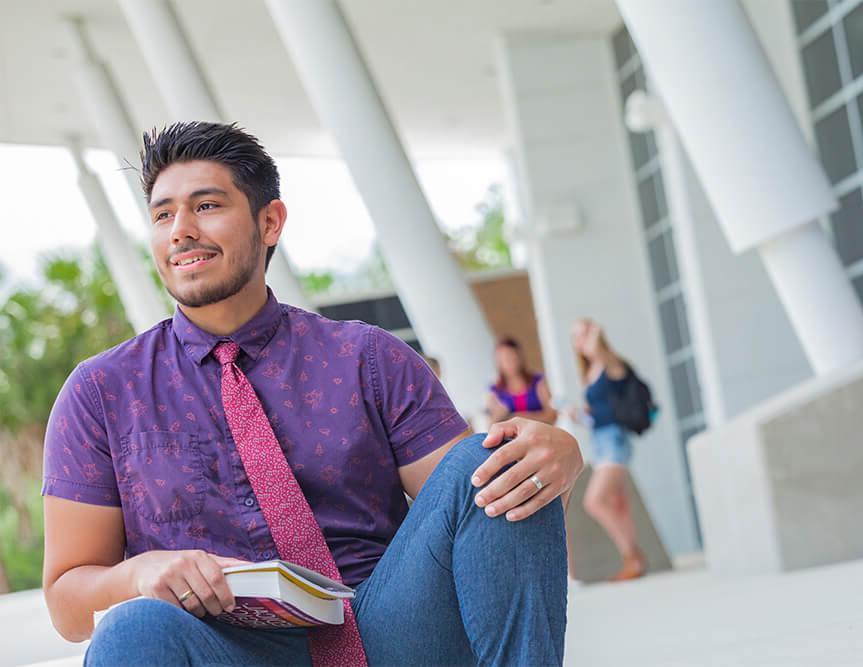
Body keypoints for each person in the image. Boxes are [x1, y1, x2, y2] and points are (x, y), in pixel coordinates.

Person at [41, 121, 583, 667]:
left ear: (270, 221)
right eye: (162, 215)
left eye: (206, 206)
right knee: (135, 627)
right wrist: (141, 571)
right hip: (222, 646)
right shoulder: (102, 392)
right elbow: (67, 604)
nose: (179, 230)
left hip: (388, 626)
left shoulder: (368, 358)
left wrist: (557, 453)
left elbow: (484, 504)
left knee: (494, 459)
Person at [569, 318, 646, 581]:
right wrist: (581, 415)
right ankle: (633, 561)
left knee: (595, 500)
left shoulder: (610, 363)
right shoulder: (590, 372)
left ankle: (632, 557)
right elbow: (601, 410)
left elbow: (598, 353)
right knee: (617, 503)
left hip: (614, 440)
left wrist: (594, 335)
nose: (580, 341)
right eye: (576, 337)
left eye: (584, 335)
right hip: (599, 441)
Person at [485, 337, 557, 425]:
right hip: (512, 438)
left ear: (519, 356)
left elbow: (552, 416)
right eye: (503, 358)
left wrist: (518, 417)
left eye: (511, 356)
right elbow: (490, 426)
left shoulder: (538, 382)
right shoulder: (494, 390)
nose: (508, 361)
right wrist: (498, 415)